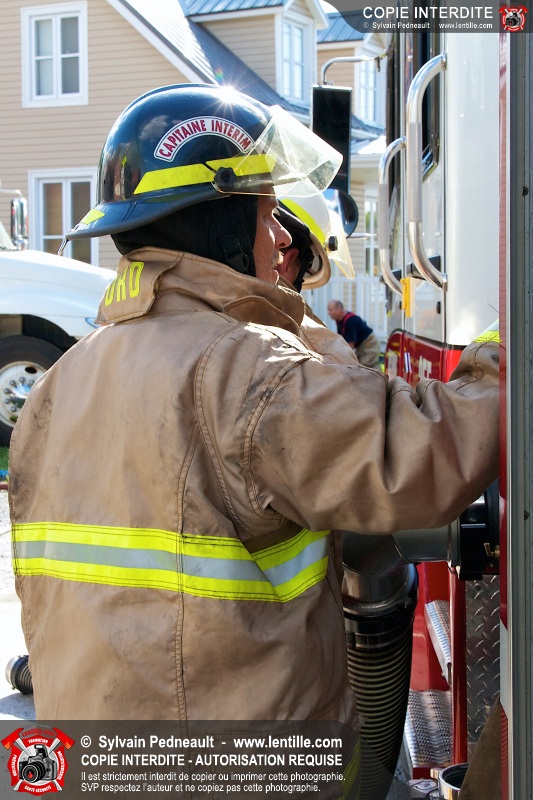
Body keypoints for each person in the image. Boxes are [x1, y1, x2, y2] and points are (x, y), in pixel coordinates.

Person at [9, 84, 499, 729]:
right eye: (266, 211)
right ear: (221, 219)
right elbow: (426, 455)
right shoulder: (249, 369)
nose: (279, 236)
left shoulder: (58, 383)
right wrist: (504, 354)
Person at [327, 299, 381, 368]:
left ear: (339, 309)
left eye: (330, 310)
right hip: (360, 346)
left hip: (369, 344)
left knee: (365, 368)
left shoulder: (350, 320)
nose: (328, 313)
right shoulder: (339, 321)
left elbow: (350, 346)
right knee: (357, 366)